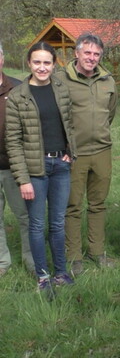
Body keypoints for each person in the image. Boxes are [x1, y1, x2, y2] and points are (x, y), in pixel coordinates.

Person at [5, 42, 76, 295]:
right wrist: (23, 179)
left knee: (57, 223)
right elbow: (13, 141)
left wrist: (71, 153)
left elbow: (70, 124)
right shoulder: (18, 95)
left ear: (54, 63)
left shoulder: (61, 89)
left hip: (61, 166)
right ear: (29, 63)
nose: (42, 67)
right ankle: (42, 276)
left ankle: (60, 273)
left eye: (47, 62)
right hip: (35, 170)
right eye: (37, 62)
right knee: (37, 225)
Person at [57, 33, 117, 275]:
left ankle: (97, 252)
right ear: (77, 53)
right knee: (72, 205)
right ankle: (73, 256)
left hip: (102, 150)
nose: (92, 58)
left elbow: (110, 114)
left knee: (98, 204)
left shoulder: (107, 80)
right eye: (87, 53)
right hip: (73, 153)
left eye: (96, 54)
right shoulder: (61, 79)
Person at [0, 42, 35, 276]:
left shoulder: (18, 88)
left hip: (13, 165)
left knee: (24, 215)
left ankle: (31, 259)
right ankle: (3, 262)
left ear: (2, 58)